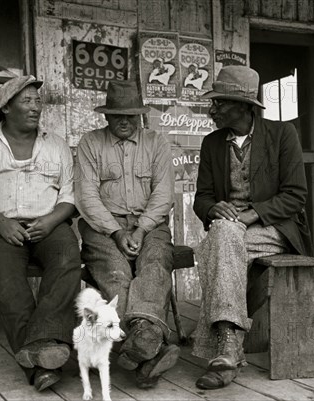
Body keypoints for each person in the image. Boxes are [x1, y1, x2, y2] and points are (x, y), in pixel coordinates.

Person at [0, 75, 81, 392]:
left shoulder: (57, 144)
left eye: (38, 101)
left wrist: (51, 221)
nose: (36, 106)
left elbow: (69, 197)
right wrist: (0, 222)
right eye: (27, 101)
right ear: (5, 107)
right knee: (9, 281)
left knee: (68, 259)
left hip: (48, 225)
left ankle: (38, 346)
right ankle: (39, 366)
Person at [192, 66, 311, 389]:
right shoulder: (212, 143)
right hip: (229, 232)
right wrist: (213, 207)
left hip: (274, 228)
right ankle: (228, 348)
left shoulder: (282, 135)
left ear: (244, 106)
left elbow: (295, 196)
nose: (212, 109)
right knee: (222, 236)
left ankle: (222, 342)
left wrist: (252, 214)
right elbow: (201, 198)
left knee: (214, 245)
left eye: (220, 103)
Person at [75, 80, 180, 389]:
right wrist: (118, 231)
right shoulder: (90, 143)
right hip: (102, 228)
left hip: (150, 225)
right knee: (117, 273)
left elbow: (163, 194)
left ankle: (139, 345)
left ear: (140, 116)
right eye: (117, 115)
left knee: (154, 264)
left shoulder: (156, 142)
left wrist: (142, 228)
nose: (124, 121)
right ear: (106, 116)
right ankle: (149, 349)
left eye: (130, 116)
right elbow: (86, 197)